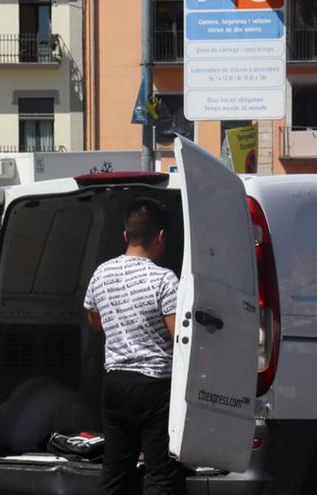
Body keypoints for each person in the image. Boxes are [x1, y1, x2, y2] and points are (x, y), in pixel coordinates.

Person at [84, 198, 185, 495]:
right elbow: (178, 333)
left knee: (114, 471)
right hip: (155, 387)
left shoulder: (101, 273)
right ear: (161, 236)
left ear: (125, 235)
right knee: (159, 474)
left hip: (115, 383)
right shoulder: (164, 279)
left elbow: (95, 321)